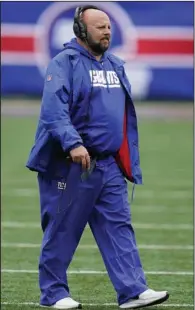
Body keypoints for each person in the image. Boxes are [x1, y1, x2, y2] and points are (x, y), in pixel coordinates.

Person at [26, 5, 169, 310]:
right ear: (80, 30)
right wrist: (73, 143)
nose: (107, 31)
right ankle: (53, 294)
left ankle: (132, 290)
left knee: (119, 226)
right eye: (99, 26)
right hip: (71, 164)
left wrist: (124, 155)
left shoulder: (115, 64)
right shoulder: (63, 63)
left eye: (108, 26)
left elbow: (122, 116)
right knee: (61, 228)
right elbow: (54, 110)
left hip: (108, 165)